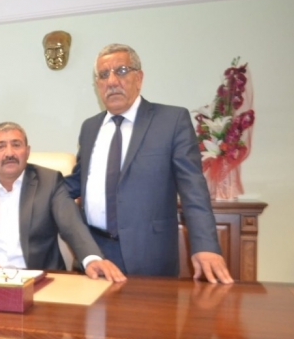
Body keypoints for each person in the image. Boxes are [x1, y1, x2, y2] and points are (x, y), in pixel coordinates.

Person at [65, 43, 233, 284]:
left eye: (121, 71)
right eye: (103, 75)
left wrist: (206, 246)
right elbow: (77, 182)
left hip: (149, 257)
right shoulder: (90, 127)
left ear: (139, 78)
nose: (112, 81)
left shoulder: (171, 121)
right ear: (97, 84)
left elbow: (193, 188)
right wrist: (27, 181)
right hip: (95, 256)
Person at [0, 122, 126, 282]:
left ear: (27, 151)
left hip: (38, 280)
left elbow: (72, 227)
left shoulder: (50, 182)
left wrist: (92, 259)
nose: (9, 153)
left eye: (16, 145)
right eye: (1, 146)